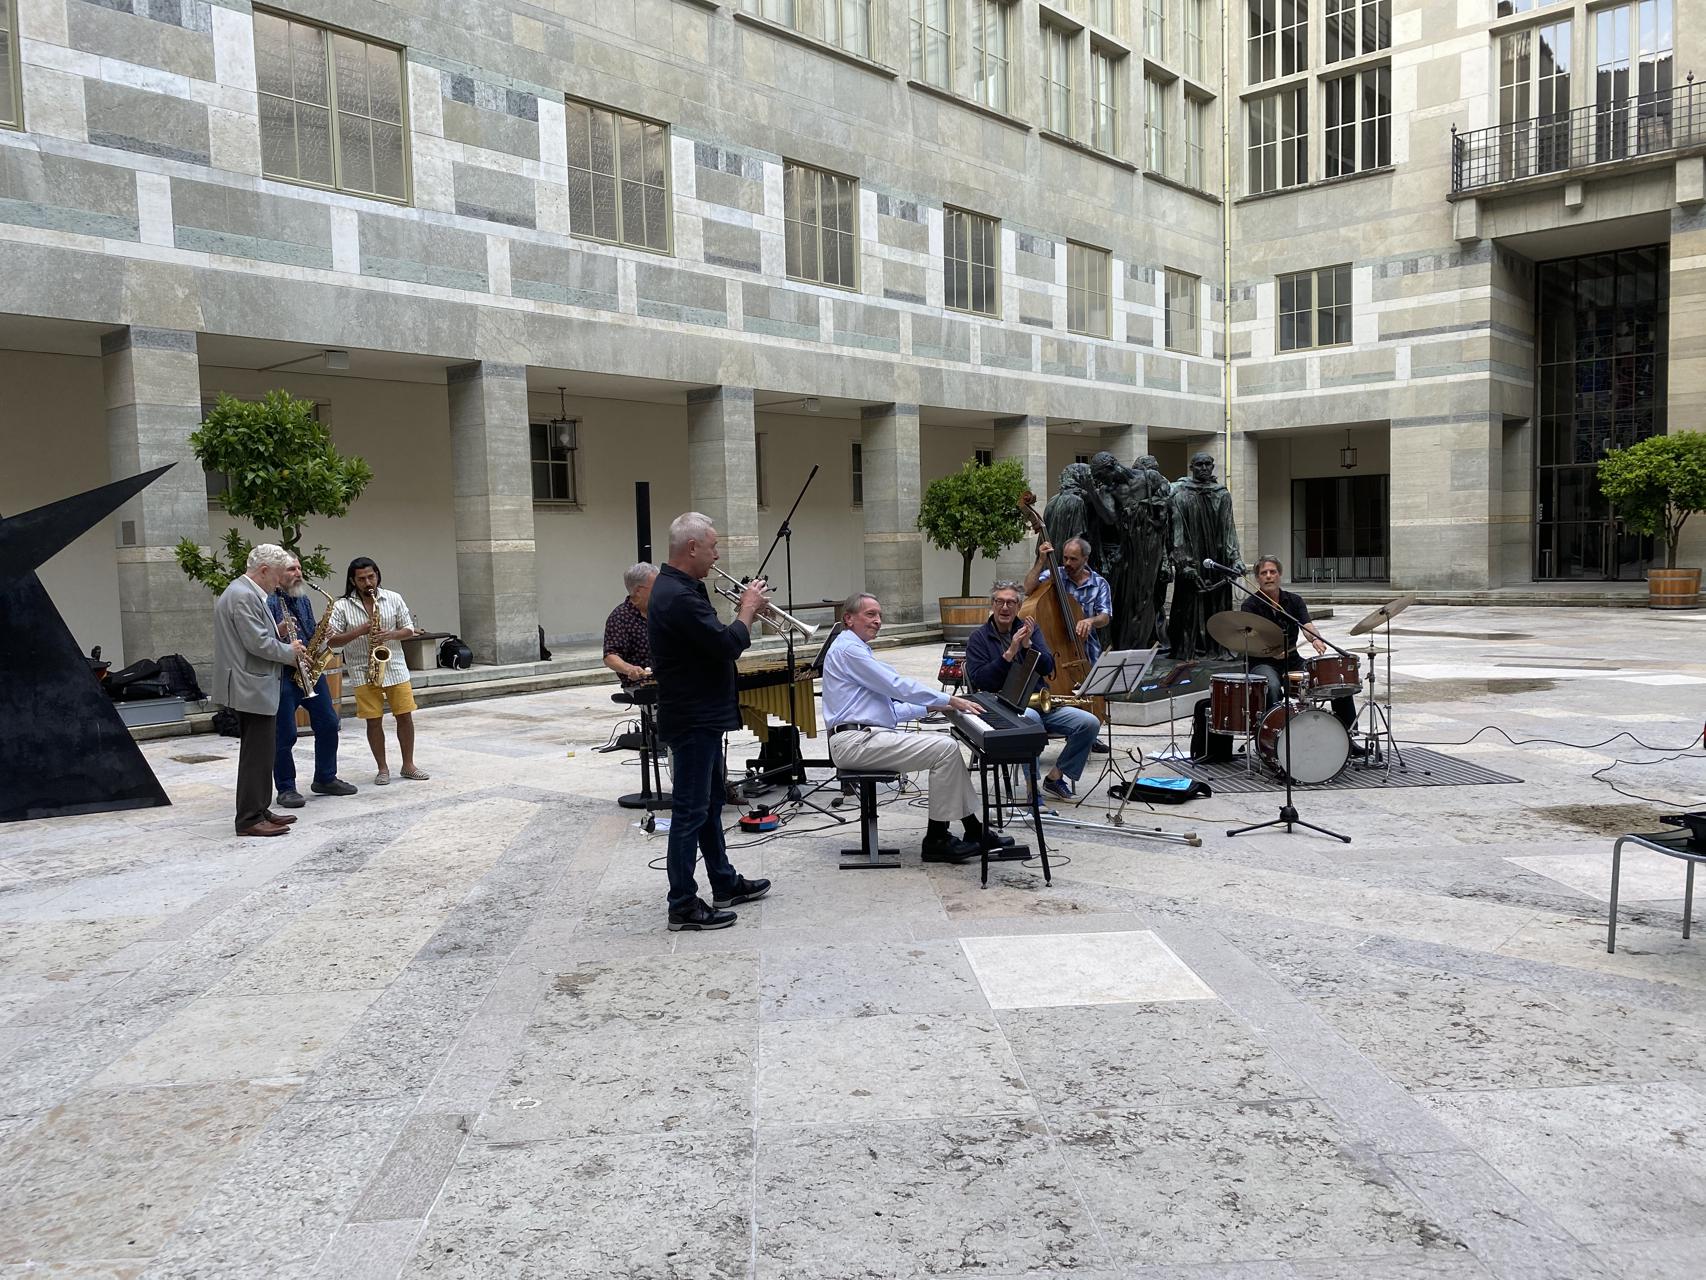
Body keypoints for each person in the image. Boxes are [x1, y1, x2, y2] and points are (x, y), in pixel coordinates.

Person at [648, 512, 773, 931]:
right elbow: (726, 645)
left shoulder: (684, 589)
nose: (717, 555)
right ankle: (682, 904)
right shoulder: (677, 596)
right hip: (693, 717)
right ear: (692, 547)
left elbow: (707, 642)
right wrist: (747, 611)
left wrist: (743, 613)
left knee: (711, 803)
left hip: (702, 713)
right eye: (714, 546)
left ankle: (723, 881)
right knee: (689, 811)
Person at [822, 592, 1013, 863]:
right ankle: (937, 840)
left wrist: (935, 707)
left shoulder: (855, 648)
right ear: (848, 619)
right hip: (855, 743)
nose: (878, 620)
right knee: (945, 748)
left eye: (879, 615)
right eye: (870, 614)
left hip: (863, 737)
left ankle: (974, 831)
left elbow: (888, 712)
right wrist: (947, 698)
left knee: (946, 749)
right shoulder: (849, 650)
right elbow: (897, 686)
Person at [965, 580, 1102, 802]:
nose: (1005, 607)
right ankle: (1032, 789)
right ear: (992, 604)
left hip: (1040, 702)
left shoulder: (1031, 629)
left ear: (1019, 607)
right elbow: (982, 680)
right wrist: (1009, 654)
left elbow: (1048, 667)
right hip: (1004, 707)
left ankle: (1055, 777)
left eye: (1011, 602)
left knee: (1089, 723)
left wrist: (1029, 646)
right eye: (1000, 602)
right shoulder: (978, 638)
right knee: (1032, 720)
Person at [212, 543, 308, 837]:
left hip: (253, 683)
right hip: (250, 684)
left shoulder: (246, 592)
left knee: (263, 752)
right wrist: (290, 651)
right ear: (264, 570)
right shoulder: (243, 596)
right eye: (278, 574)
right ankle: (249, 818)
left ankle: (260, 808)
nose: (280, 582)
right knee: (257, 754)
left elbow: (255, 636)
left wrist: (278, 633)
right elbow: (257, 644)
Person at [1240, 555, 1363, 754]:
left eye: (1273, 572)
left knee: (1334, 680)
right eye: (1264, 573)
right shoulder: (1250, 605)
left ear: (1280, 575)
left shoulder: (1294, 601)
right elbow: (1249, 640)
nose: (1269, 576)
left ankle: (1347, 739)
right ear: (1257, 578)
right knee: (1271, 686)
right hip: (1263, 662)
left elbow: (1306, 625)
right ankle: (1273, 742)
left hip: (1292, 660)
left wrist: (1315, 639)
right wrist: (1269, 651)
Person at [326, 557, 427, 786]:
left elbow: (409, 629)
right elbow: (331, 641)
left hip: (395, 667)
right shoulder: (341, 606)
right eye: (361, 579)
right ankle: (382, 769)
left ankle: (408, 765)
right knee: (373, 720)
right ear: (353, 581)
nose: (368, 582)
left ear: (378, 575)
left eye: (371, 577)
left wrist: (390, 634)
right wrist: (359, 631)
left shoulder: (393, 598)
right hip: (362, 669)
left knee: (405, 715)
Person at [268, 555, 358, 808]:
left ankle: (325, 778)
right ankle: (286, 788)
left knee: (329, 723)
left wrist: (321, 630)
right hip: (283, 673)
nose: (298, 573)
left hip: (309, 671)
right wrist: (279, 632)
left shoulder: (302, 598)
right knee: (285, 733)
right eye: (291, 569)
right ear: (277, 573)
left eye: (299, 568)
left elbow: (308, 634)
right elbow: (261, 639)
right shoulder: (267, 601)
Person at [1170, 450, 1244, 660]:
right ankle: (1189, 649)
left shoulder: (1222, 494)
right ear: (1191, 468)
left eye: (1207, 464)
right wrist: (1182, 563)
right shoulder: (1180, 494)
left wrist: (1235, 558)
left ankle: (1218, 648)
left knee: (1217, 604)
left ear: (1212, 467)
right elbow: (1177, 533)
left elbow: (1229, 528)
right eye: (1199, 465)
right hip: (1191, 561)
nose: (1203, 468)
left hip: (1217, 560)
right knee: (1189, 606)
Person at [1021, 535, 1113, 664]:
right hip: (1056, 650)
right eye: (1065, 558)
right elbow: (1027, 589)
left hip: (1087, 652)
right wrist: (1041, 561)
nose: (1068, 563)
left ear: (1085, 559)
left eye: (1073, 559)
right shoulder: (1054, 575)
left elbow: (1105, 617)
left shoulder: (1099, 583)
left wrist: (1091, 621)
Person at [602, 561, 657, 687]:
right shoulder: (620, 617)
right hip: (642, 685)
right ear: (638, 591)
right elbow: (610, 655)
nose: (661, 591)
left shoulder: (660, 612)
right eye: (656, 587)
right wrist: (629, 669)